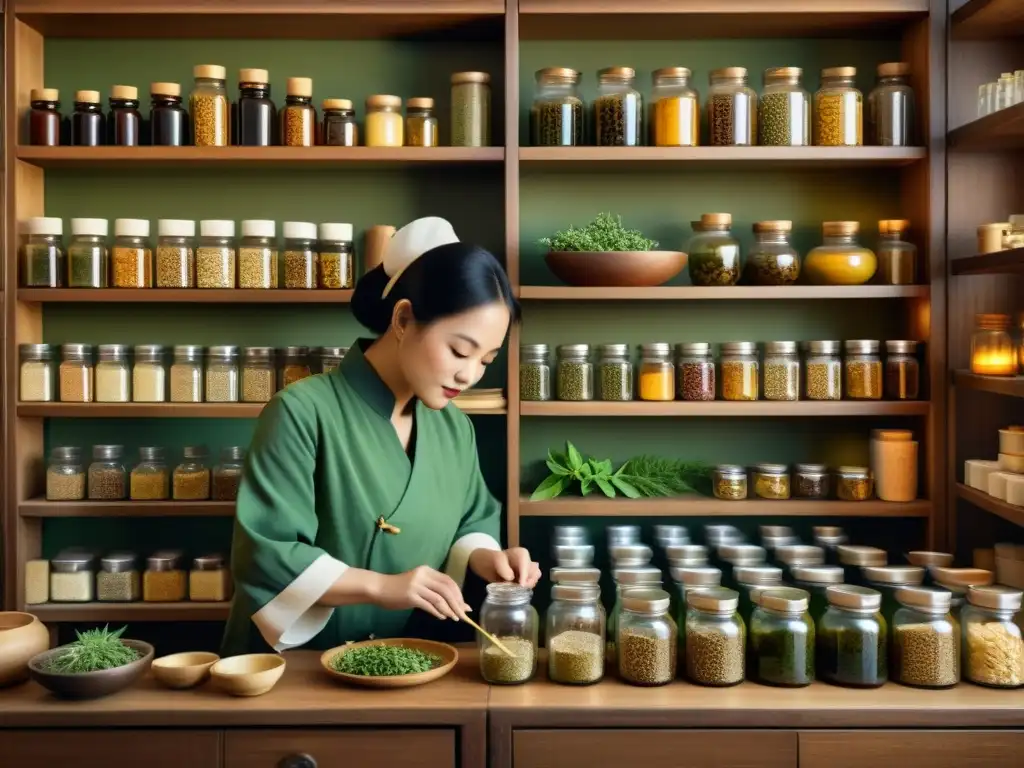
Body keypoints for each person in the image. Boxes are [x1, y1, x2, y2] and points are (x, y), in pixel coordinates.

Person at [222, 217, 540, 656]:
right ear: (404, 318)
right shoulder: (300, 411)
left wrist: (492, 561)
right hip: (291, 669)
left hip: (400, 660)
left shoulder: (454, 427)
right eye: (459, 351)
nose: (468, 375)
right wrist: (380, 586)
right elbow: (268, 553)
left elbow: (471, 519)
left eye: (486, 360)